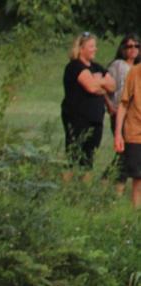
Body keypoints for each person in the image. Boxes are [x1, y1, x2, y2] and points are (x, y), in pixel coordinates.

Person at [61, 33, 115, 172]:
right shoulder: (74, 66)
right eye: (91, 46)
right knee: (74, 156)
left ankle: (84, 188)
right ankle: (67, 189)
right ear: (81, 48)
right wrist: (100, 83)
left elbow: (112, 85)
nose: (95, 49)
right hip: (77, 118)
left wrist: (97, 81)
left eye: (95, 46)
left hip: (95, 119)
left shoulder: (97, 67)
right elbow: (91, 87)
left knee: (89, 158)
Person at [106, 35, 140, 190]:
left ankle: (111, 183)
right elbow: (106, 86)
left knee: (125, 157)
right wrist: (110, 104)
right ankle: (111, 183)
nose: (133, 49)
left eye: (136, 46)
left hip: (133, 117)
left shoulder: (136, 67)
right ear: (123, 49)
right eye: (129, 46)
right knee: (125, 156)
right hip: (124, 116)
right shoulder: (119, 65)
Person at [114, 57, 141, 209]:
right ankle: (135, 214)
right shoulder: (135, 72)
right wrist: (118, 134)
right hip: (135, 131)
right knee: (138, 178)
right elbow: (123, 104)